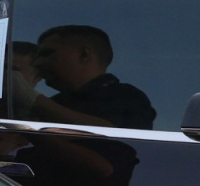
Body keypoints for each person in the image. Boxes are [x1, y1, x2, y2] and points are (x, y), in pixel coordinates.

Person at [14, 25, 156, 130]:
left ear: (84, 54)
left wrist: (31, 99)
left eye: (47, 54)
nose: (37, 63)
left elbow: (117, 139)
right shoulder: (57, 102)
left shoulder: (127, 97)